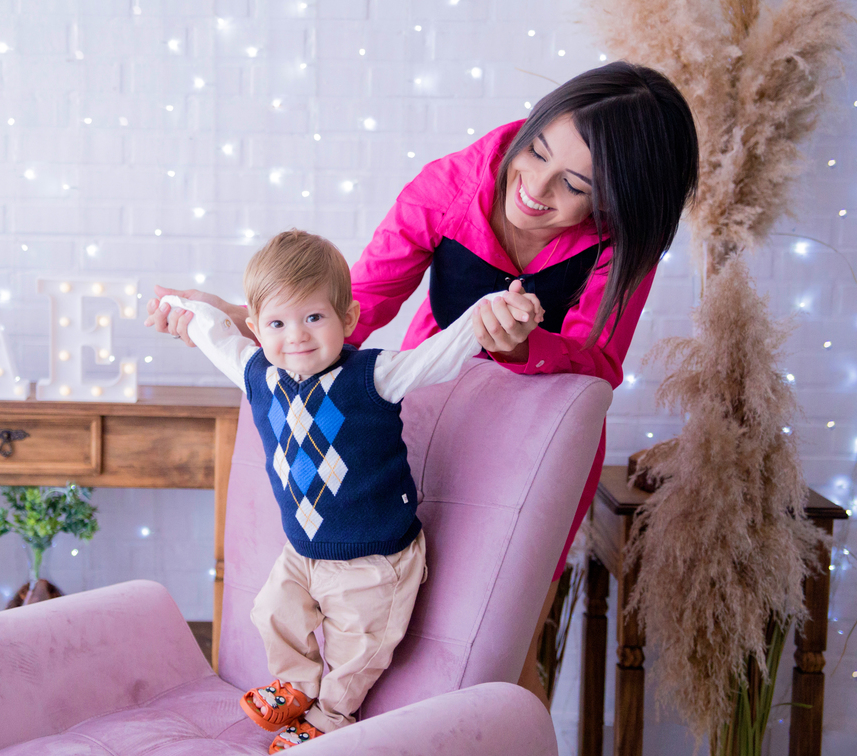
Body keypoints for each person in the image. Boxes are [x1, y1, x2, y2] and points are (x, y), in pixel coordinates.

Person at [146, 61, 699, 705]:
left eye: (573, 185)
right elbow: (356, 306)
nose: (535, 188)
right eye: (538, 150)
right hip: (430, 428)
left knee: (501, 652)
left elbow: (600, 363)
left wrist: (525, 346)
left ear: (614, 202)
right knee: (405, 637)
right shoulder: (451, 185)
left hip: (537, 455)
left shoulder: (620, 243)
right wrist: (238, 319)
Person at [158, 229, 537, 753]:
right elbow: (217, 337)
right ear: (257, 329)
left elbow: (439, 357)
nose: (296, 336)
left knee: (358, 646)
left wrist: (489, 310)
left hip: (375, 558)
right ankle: (295, 683)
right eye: (277, 323)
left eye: (313, 317)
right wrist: (184, 307)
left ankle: (333, 714)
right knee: (271, 610)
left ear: (348, 319)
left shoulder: (371, 376)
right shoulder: (257, 374)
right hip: (303, 551)